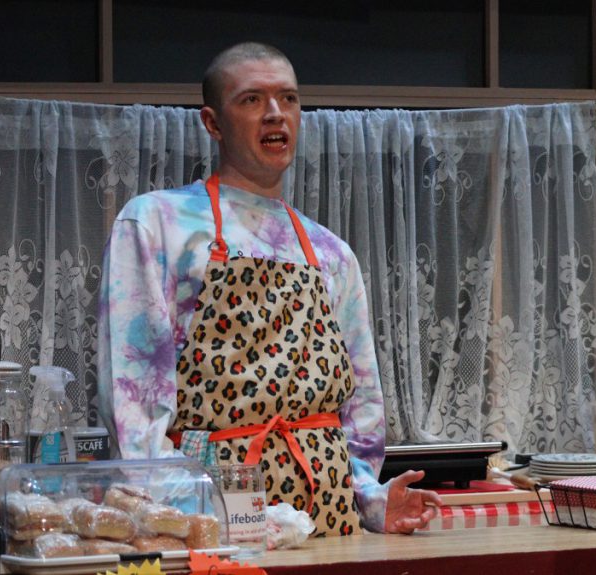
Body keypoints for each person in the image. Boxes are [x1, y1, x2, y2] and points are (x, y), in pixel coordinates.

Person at [97, 42, 442, 536]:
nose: (275, 114)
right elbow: (133, 398)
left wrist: (369, 499)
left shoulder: (331, 252)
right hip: (211, 514)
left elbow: (360, 408)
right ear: (213, 123)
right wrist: (177, 514)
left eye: (288, 99)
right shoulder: (157, 223)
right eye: (252, 100)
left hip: (327, 522)